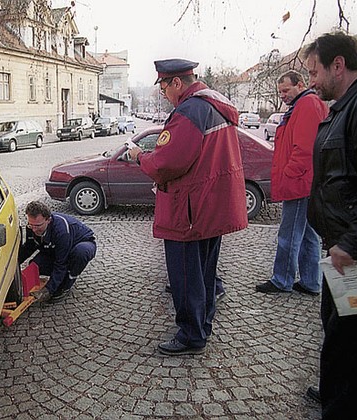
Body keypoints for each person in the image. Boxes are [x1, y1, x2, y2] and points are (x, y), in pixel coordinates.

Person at [129, 59, 247, 355]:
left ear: (176, 83)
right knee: (205, 274)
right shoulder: (214, 105)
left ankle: (191, 336)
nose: (163, 93)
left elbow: (167, 163)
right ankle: (203, 324)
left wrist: (140, 156)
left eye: (164, 87)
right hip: (209, 207)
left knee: (185, 277)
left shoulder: (189, 110)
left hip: (188, 210)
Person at [302, 31, 357, 419]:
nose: (312, 81)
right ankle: (335, 397)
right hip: (342, 251)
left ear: (338, 65)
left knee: (353, 343)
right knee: (337, 335)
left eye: (315, 71)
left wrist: (351, 242)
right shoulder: (347, 106)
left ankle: (347, 408)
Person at [255, 70, 328, 296]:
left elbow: (305, 149)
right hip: (305, 182)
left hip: (299, 183)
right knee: (307, 235)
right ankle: (310, 282)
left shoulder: (306, 105)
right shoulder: (304, 104)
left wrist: (289, 174)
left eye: (286, 90)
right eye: (280, 92)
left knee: (289, 235)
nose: (283, 95)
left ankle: (282, 280)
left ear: (300, 85)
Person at [18, 201, 97, 303]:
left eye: (37, 226)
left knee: (80, 253)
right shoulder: (32, 227)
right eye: (31, 225)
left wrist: (48, 290)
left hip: (80, 244)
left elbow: (61, 263)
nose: (34, 229)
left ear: (48, 220)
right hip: (54, 248)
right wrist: (14, 264)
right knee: (35, 265)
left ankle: (67, 283)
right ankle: (59, 278)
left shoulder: (61, 231)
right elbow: (29, 248)